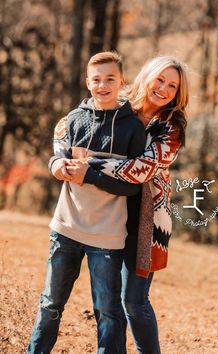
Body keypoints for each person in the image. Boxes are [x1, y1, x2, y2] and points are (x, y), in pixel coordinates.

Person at [26, 51, 146, 354]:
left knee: (108, 312)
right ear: (87, 82)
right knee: (50, 303)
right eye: (96, 79)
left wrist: (89, 176)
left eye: (110, 79)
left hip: (107, 238)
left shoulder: (133, 128)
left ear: (121, 82)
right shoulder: (72, 119)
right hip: (66, 229)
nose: (103, 85)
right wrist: (57, 167)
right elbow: (58, 155)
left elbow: (133, 187)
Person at [72, 55, 189, 354]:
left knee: (134, 302)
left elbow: (143, 170)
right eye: (159, 79)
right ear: (147, 75)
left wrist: (92, 163)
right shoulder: (119, 104)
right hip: (109, 212)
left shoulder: (171, 128)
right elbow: (69, 122)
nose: (163, 89)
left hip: (145, 222)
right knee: (108, 302)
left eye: (172, 86)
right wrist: (61, 153)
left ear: (178, 93)